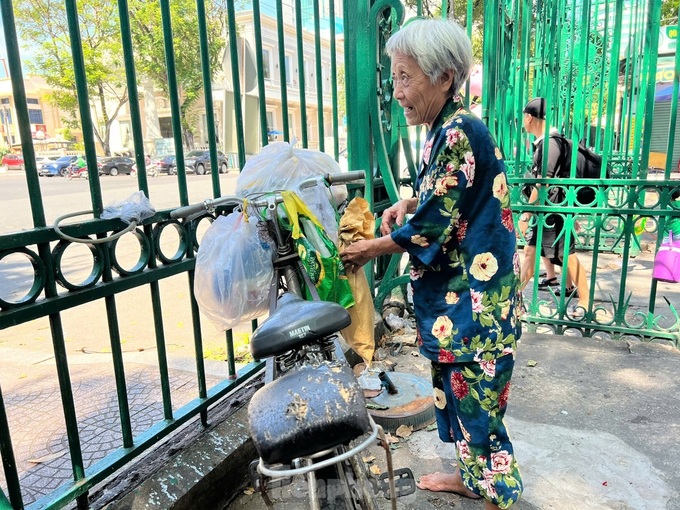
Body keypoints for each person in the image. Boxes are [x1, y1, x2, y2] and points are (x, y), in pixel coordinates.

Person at [340, 18, 523, 510]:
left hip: (476, 305)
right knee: (459, 396)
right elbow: (442, 199)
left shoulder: (460, 130)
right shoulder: (442, 129)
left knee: (480, 409)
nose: (397, 91)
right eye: (394, 77)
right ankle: (474, 480)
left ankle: (498, 498)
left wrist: (366, 250)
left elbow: (430, 226)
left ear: (444, 78)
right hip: (459, 302)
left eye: (404, 76)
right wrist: (406, 202)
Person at [518, 98, 590, 314]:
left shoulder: (549, 144)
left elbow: (542, 183)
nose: (523, 121)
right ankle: (512, 301)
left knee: (567, 257)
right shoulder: (548, 142)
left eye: (524, 117)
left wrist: (525, 216)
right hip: (548, 211)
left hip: (552, 212)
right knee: (530, 254)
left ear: (529, 117)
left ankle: (585, 303)